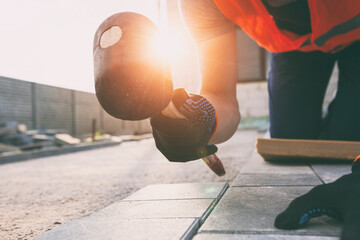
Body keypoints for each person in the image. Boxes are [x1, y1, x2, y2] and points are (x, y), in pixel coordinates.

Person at [150, 1, 360, 239]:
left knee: (349, 139)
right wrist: (202, 117)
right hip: (295, 48)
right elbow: (219, 94)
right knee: (291, 144)